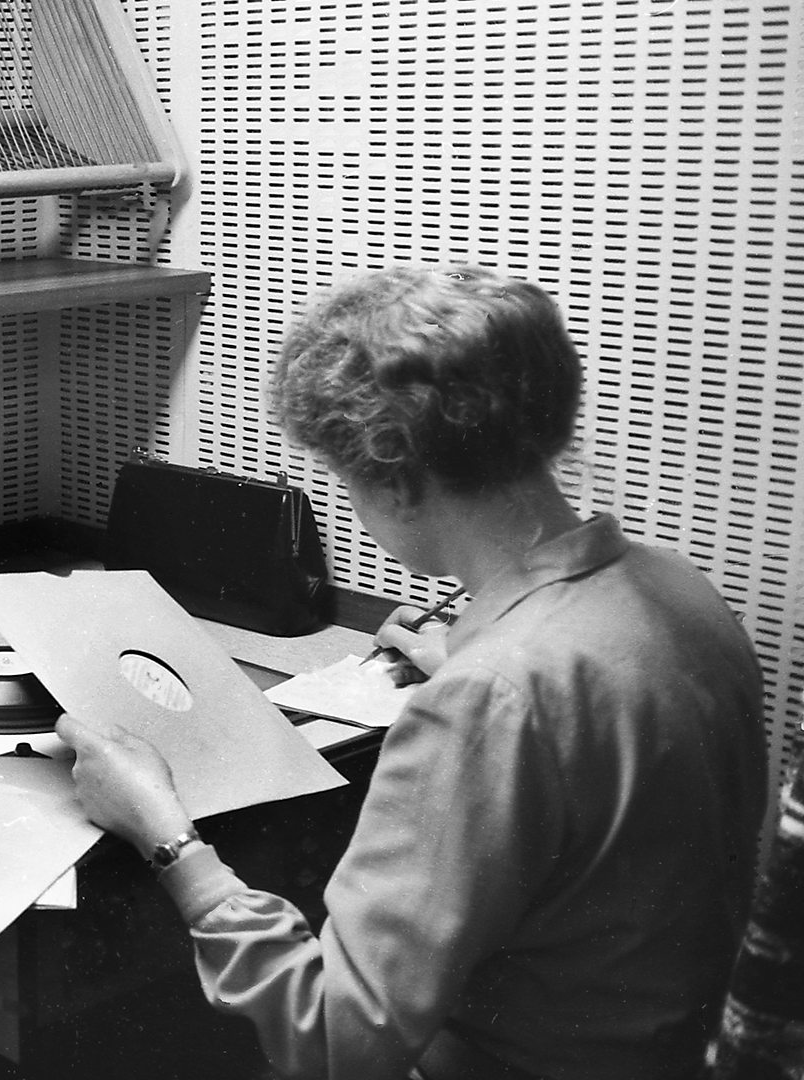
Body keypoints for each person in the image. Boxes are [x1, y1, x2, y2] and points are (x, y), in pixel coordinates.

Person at [58, 264, 769, 1080]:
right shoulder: (681, 591)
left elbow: (334, 1040)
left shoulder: (492, 698)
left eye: (346, 481)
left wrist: (167, 838)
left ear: (395, 483)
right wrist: (476, 662)